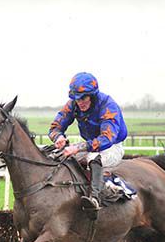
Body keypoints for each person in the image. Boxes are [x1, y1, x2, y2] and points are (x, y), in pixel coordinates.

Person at [48, 72, 127, 213]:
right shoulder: (73, 104)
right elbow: (55, 127)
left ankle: (95, 198)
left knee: (93, 158)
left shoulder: (108, 105)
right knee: (58, 155)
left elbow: (107, 139)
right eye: (76, 98)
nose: (80, 102)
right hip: (90, 145)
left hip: (111, 146)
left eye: (83, 98)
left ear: (92, 95)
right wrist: (58, 137)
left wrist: (78, 147)